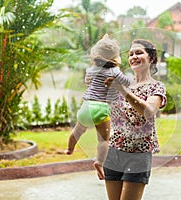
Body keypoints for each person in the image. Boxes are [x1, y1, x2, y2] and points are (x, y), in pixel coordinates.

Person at [102, 39, 167, 200]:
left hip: (138, 156)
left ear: (151, 57)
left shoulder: (156, 87)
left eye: (139, 52)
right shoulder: (123, 83)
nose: (134, 57)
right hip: (113, 153)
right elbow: (111, 119)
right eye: (131, 54)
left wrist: (121, 90)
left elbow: (149, 111)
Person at [65, 34, 132, 180]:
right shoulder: (114, 71)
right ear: (115, 58)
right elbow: (126, 82)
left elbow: (88, 81)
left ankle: (69, 148)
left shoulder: (92, 69)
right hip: (101, 107)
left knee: (77, 130)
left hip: (86, 106)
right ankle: (99, 162)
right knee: (103, 140)